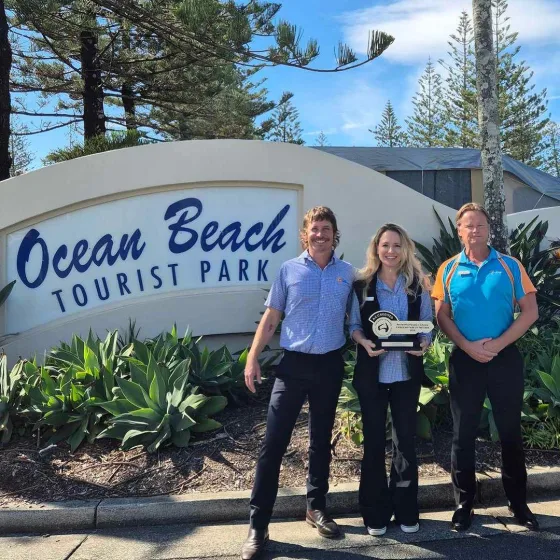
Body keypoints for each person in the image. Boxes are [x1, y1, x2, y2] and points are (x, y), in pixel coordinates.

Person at [241, 206, 357, 560]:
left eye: (326, 229)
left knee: (321, 441)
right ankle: (258, 525)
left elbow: (358, 319)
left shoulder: (349, 274)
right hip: (292, 366)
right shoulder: (289, 270)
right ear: (305, 234)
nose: (320, 234)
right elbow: (272, 315)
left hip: (330, 365)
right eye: (314, 229)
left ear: (335, 234)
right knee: (273, 444)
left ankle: (315, 507)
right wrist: (252, 356)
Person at [432, 202, 540, 532]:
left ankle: (518, 504)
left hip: (504, 358)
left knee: (509, 433)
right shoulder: (448, 269)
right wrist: (467, 346)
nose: (475, 230)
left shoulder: (509, 266)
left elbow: (530, 311)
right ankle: (464, 505)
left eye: (480, 225)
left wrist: (497, 345)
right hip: (465, 360)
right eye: (469, 225)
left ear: (489, 229)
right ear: (459, 230)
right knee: (462, 436)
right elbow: (441, 316)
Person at [349, 223, 433, 537]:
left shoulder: (418, 285)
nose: (391, 251)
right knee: (372, 445)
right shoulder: (362, 286)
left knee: (405, 444)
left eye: (397, 245)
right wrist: (364, 342)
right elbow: (355, 326)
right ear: (376, 249)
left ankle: (407, 510)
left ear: (405, 249)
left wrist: (424, 343)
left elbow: (427, 326)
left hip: (406, 376)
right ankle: (375, 513)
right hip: (372, 375)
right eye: (385, 245)